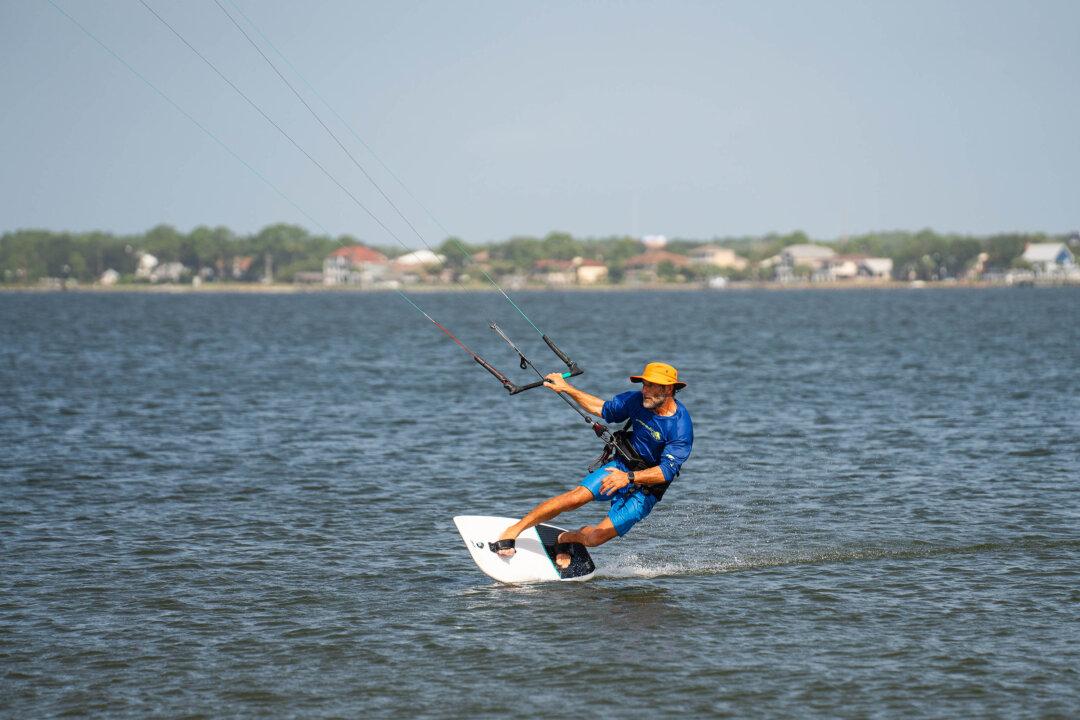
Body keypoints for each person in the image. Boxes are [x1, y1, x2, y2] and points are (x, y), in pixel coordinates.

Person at [490, 362, 693, 569]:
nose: (644, 390)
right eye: (644, 384)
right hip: (621, 466)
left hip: (646, 489)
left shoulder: (680, 427)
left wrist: (629, 478)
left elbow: (666, 472)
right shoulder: (637, 400)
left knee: (595, 539)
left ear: (668, 389)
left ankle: (564, 539)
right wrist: (567, 388)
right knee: (575, 497)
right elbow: (602, 409)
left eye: (651, 386)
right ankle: (514, 530)